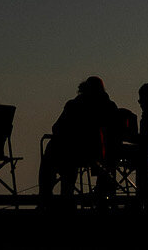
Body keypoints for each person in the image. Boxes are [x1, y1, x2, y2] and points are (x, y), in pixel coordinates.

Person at [39, 76, 118, 207]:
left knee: (58, 154)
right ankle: (62, 197)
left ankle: (48, 197)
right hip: (89, 152)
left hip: (89, 153)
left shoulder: (75, 105)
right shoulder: (108, 106)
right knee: (62, 153)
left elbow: (56, 128)